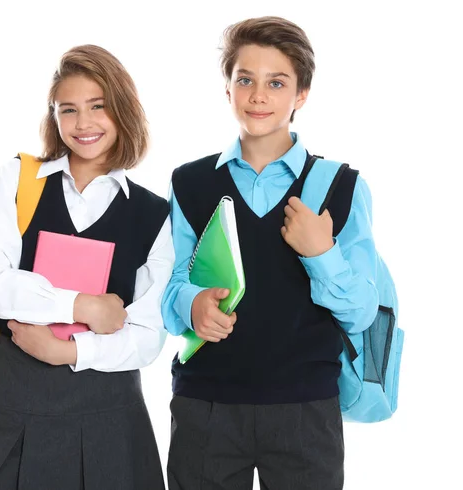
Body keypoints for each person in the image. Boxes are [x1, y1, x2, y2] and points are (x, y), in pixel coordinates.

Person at [162, 16, 380, 490]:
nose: (258, 95)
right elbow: (170, 289)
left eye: (276, 82)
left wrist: (320, 252)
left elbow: (362, 311)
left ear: (301, 95)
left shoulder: (342, 186)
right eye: (245, 80)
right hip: (206, 405)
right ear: (228, 90)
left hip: (305, 409)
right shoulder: (190, 183)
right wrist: (192, 305)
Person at [0, 44, 173, 490]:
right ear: (53, 117)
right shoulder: (17, 182)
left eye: (98, 107)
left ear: (123, 110)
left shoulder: (154, 214)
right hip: (18, 412)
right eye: (68, 109)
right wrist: (81, 306)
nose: (83, 123)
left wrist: (68, 352)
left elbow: (148, 336)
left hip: (111, 421)